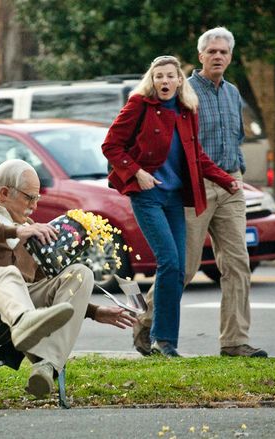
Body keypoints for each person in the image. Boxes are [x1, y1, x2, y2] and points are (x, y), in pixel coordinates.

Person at [0, 159, 136, 397]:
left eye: (37, 198)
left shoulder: (30, 228)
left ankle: (46, 364)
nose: (34, 205)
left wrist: (93, 311)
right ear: (3, 193)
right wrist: (14, 231)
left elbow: (44, 282)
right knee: (9, 273)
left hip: (18, 295)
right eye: (29, 198)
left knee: (81, 273)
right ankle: (24, 322)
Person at [133, 27, 269, 358]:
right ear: (201, 56)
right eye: (212, 52)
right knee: (185, 265)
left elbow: (235, 138)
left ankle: (235, 341)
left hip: (229, 183)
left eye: (224, 52)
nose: (218, 56)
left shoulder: (233, 94)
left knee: (238, 263)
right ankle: (147, 323)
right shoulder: (185, 92)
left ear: (230, 56)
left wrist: (235, 173)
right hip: (195, 186)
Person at [102, 56, 239, 357]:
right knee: (170, 263)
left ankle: (162, 340)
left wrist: (225, 179)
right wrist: (137, 172)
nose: (164, 81)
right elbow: (111, 145)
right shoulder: (139, 105)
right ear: (152, 81)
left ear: (180, 80)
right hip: (147, 196)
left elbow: (196, 156)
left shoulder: (187, 112)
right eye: (158, 76)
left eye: (170, 76)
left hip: (175, 198)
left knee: (177, 272)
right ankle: (162, 341)